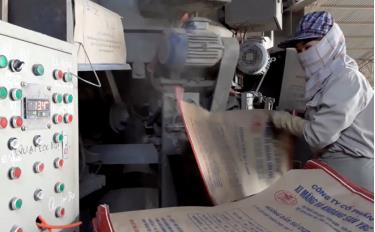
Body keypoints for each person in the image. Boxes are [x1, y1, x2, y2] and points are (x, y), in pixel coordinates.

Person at [272, 11, 374, 192]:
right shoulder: (327, 80)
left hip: (353, 172)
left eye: (309, 47)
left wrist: (283, 121)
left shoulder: (347, 79)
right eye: (299, 50)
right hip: (334, 166)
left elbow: (318, 136)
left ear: (330, 43)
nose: (303, 55)